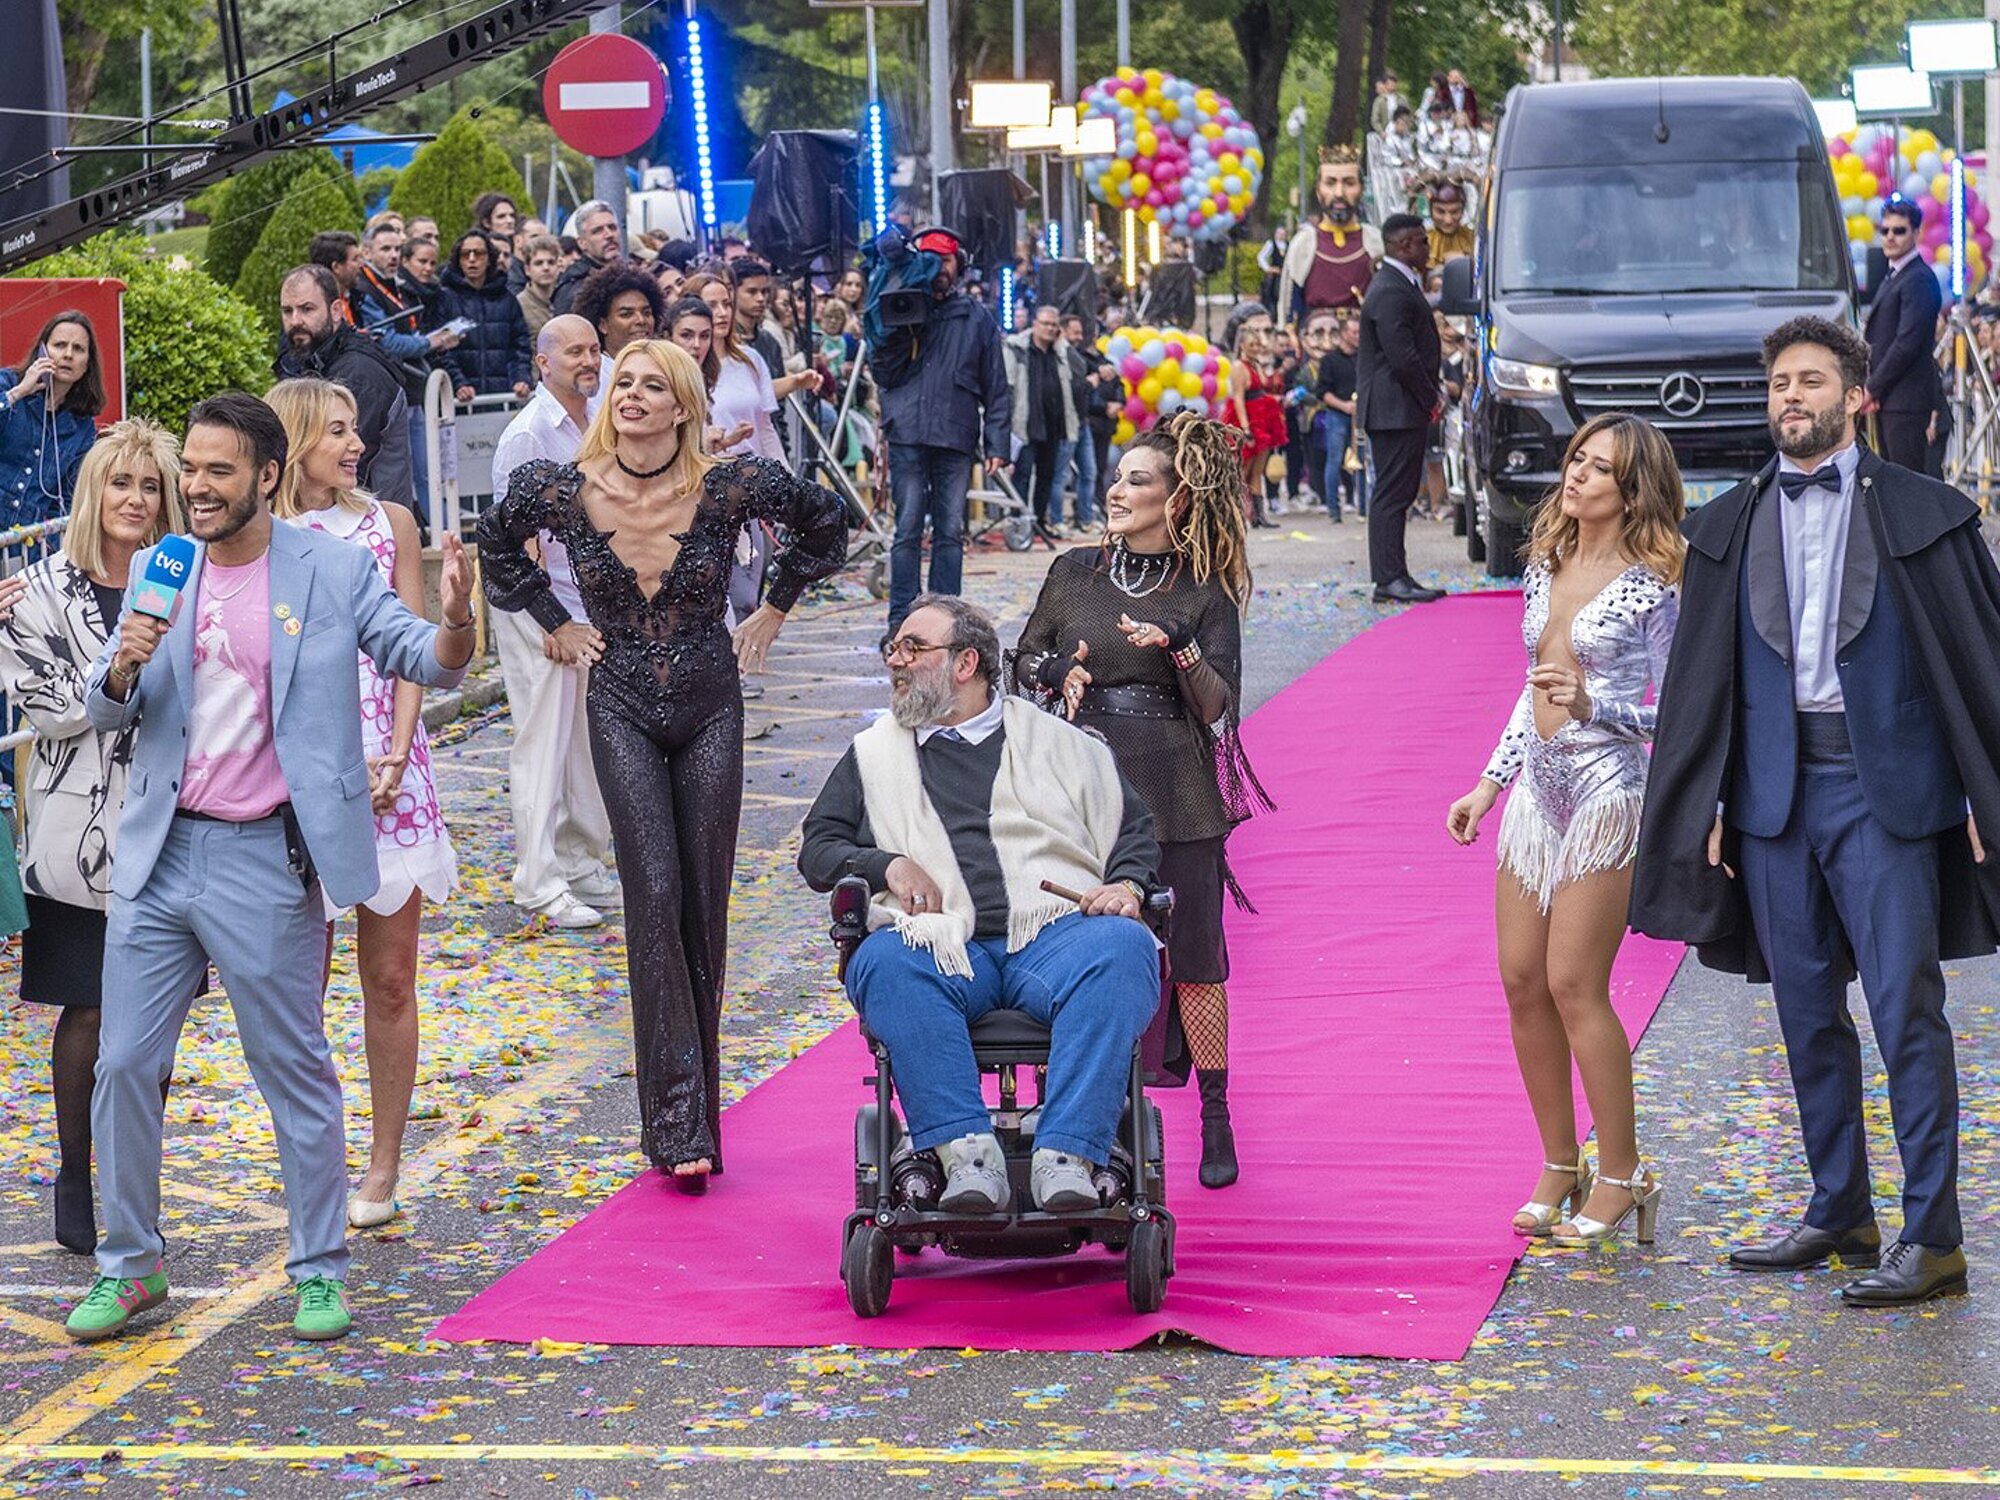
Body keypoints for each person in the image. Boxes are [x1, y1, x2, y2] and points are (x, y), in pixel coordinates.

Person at [68, 392, 476, 1345]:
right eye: (190, 471)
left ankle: (319, 1269)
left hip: (265, 853)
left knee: (289, 1065)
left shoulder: (328, 569)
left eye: (217, 471)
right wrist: (124, 665)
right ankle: (130, 1268)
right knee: (124, 1063)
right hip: (160, 853)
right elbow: (108, 712)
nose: (196, 489)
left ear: (263, 476)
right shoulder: (162, 568)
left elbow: (426, 656)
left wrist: (457, 622)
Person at [1632, 316, 2000, 1307]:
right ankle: (1839, 1208)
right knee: (1803, 1013)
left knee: (1902, 1010)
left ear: (1854, 397)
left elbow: (1978, 665)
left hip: (1884, 795)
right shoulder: (1732, 521)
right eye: (1776, 385)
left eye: (1807, 381)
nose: (1788, 398)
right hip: (1770, 798)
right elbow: (1701, 683)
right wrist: (1708, 796)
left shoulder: (1926, 512)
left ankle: (1931, 1238)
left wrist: (1978, 789)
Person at [477, 341, 847, 1187]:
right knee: (652, 893)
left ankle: (701, 1110)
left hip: (711, 699)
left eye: (653, 386)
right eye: (625, 385)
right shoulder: (559, 488)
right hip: (620, 704)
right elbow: (495, 545)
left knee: (703, 905)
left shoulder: (729, 486)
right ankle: (676, 1127)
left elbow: (829, 524)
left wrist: (774, 612)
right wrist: (553, 621)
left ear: (683, 406)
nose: (634, 396)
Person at [799, 595, 1163, 1213]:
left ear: (966, 663)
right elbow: (819, 848)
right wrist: (885, 863)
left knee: (1125, 949)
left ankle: (1067, 1155)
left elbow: (1133, 832)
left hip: (1052, 936)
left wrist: (1125, 887)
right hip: (942, 940)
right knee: (885, 963)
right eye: (894, 648)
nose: (896, 661)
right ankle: (966, 1155)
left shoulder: (1061, 743)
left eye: (913, 649)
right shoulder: (875, 754)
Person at [1013, 412, 1271, 1188]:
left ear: (1179, 497)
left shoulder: (1207, 588)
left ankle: (1216, 1113)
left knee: (1195, 958)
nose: (1116, 489)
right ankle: (1085, 1105)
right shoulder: (1074, 571)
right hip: (1081, 781)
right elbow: (1021, 657)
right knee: (1079, 946)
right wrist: (1059, 673)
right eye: (1117, 476)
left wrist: (1180, 646)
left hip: (1177, 787)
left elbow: (1217, 706)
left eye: (1136, 479)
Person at [1446, 413, 1683, 1246]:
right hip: (1536, 796)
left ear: (1634, 490)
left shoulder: (1657, 582)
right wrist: (1488, 781)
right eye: (1577, 458)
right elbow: (1531, 685)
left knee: (1575, 983)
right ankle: (1558, 1161)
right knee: (1521, 980)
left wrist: (1594, 706)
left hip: (1611, 790)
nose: (1578, 474)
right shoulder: (1546, 564)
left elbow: (1675, 712)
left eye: (1601, 468)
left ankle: (1621, 1172)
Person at [267, 377, 458, 1229]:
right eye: (335, 432)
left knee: (388, 976)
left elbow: (412, 647)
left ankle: (381, 1168)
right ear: (293, 441)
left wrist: (396, 749)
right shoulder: (255, 539)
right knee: (292, 985)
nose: (354, 445)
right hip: (284, 773)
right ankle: (313, 1158)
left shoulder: (389, 526)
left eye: (357, 431)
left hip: (389, 761)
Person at [0, 420, 186, 1255]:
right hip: (76, 833)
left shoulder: (188, 581)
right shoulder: (35, 589)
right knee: (89, 1009)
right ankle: (78, 1171)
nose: (136, 500)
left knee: (156, 1019)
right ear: (93, 491)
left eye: (150, 486)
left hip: (174, 823)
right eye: (121, 483)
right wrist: (124, 673)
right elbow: (44, 705)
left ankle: (130, 1180)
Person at [488, 315, 618, 931]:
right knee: (541, 741)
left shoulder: (598, 421)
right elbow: (513, 542)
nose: (589, 360)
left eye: (594, 349)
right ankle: (538, 881)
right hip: (535, 605)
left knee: (584, 742)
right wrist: (552, 621)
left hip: (584, 603)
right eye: (574, 351)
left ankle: (582, 861)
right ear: (543, 363)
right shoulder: (529, 433)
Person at [866, 225, 1013, 629]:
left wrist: (998, 443)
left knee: (950, 531)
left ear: (959, 265)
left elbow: (996, 385)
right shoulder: (899, 306)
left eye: (945, 260)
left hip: (955, 435)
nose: (938, 268)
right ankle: (901, 622)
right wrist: (896, 332)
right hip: (907, 433)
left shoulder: (977, 317)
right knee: (907, 528)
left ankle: (945, 620)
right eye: (929, 259)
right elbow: (882, 373)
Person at [273, 265, 417, 513]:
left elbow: (348, 461)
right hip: (336, 512)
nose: (295, 321)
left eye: (307, 309)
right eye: (288, 311)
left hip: (369, 518)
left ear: (337, 310)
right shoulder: (304, 356)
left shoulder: (360, 372)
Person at [1357, 215, 1444, 603]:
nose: (1429, 249)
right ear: (1405, 245)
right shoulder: (1391, 289)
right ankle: (1388, 578)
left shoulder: (1399, 283)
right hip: (1394, 407)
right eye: (1424, 242)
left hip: (1398, 407)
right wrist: (1431, 396)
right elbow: (1402, 356)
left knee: (1398, 493)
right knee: (1392, 494)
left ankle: (1396, 574)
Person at [1863, 199, 1945, 475]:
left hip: (1906, 403)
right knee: (1894, 484)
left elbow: (1906, 343)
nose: (1889, 237)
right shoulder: (1894, 276)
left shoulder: (1918, 278)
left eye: (1899, 230)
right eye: (1884, 230)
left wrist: (1872, 388)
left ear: (1916, 233)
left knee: (1908, 484)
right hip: (1891, 400)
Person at [3, 311, 103, 529]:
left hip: (25, 549)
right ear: (42, 351)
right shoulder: (8, 383)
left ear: (87, 363)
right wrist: (19, 392)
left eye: (78, 349)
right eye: (59, 345)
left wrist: (50, 544)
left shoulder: (83, 428)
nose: (68, 355)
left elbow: (70, 500)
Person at [1277, 147, 1383, 330]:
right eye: (1330, 183)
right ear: (1318, 190)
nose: (1339, 193)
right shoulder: (1304, 243)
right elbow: (1290, 308)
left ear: (1361, 189)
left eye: (1349, 183)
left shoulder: (1376, 242)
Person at [1004, 305, 1080, 541]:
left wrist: (1064, 344)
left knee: (1047, 477)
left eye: (1054, 325)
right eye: (1045, 323)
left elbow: (1081, 369)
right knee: (1022, 476)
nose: (1049, 329)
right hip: (1025, 424)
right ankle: (1018, 522)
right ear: (1034, 324)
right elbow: (1008, 387)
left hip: (1053, 425)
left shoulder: (1059, 353)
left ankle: (1038, 520)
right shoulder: (1018, 349)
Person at [436, 230, 533, 402]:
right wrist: (458, 383)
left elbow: (520, 345)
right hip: (460, 399)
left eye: (479, 253)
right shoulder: (444, 299)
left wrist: (521, 378)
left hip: (503, 396)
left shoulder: (507, 299)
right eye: (465, 254)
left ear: (489, 258)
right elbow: (440, 349)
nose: (472, 259)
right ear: (458, 259)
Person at [574, 261, 667, 381]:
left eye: (647, 313)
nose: (641, 320)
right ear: (603, 325)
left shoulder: (666, 369)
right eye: (627, 314)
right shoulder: (592, 377)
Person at [1317, 311, 1367, 522]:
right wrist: (1344, 406)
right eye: (1353, 332)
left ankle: (1364, 508)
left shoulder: (1365, 357)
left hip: (1362, 416)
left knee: (1363, 461)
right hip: (1338, 414)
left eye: (1359, 332)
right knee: (1334, 461)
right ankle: (1333, 510)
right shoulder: (1330, 360)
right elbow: (1322, 392)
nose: (1357, 336)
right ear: (1344, 333)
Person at [550, 200, 626, 316]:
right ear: (582, 243)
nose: (609, 235)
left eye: (612, 227)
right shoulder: (574, 289)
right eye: (598, 231)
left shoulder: (631, 275)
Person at [309, 231, 365, 324]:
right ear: (336, 267)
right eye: (355, 259)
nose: (362, 265)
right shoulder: (314, 309)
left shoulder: (355, 298)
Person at [517, 233, 565, 340]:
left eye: (551, 262)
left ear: (558, 265)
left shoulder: (565, 299)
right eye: (539, 263)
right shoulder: (519, 306)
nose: (546, 268)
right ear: (527, 270)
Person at [1426, 182, 1475, 265]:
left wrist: (1467, 259)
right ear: (1431, 211)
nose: (1448, 220)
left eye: (1454, 212)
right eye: (1440, 212)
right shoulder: (1423, 242)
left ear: (1463, 211)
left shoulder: (1473, 238)